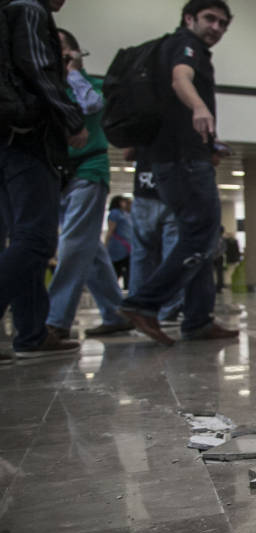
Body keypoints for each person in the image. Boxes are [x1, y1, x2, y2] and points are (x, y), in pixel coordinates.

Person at [119, 0, 238, 345]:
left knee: (197, 236)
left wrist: (209, 141)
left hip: (176, 157)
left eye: (223, 23)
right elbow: (180, 77)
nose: (216, 27)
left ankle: (198, 319)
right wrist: (200, 105)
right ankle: (144, 303)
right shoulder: (185, 46)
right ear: (189, 19)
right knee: (200, 235)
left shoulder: (170, 48)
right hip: (183, 161)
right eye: (209, 19)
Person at [0, 0, 86, 361]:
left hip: (6, 140)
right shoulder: (30, 9)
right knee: (36, 239)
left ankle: (32, 333)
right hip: (27, 138)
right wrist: (71, 119)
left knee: (22, 238)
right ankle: (32, 333)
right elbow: (37, 69)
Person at [44, 28, 133, 340]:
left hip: (89, 171)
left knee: (71, 244)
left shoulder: (90, 86)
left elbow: (92, 107)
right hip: (56, 174)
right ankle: (116, 312)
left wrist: (73, 71)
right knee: (87, 249)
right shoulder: (44, 87)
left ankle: (55, 321)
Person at [127, 146, 182, 323]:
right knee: (172, 256)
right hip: (173, 189)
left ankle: (138, 308)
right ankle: (168, 309)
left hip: (144, 188)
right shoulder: (182, 120)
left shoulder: (141, 120)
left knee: (141, 256)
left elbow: (128, 153)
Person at [106, 195, 133, 289]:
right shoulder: (115, 213)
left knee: (128, 269)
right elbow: (110, 230)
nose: (124, 203)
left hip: (128, 246)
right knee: (116, 269)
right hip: (117, 245)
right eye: (122, 201)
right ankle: (111, 287)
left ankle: (127, 287)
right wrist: (105, 244)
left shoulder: (126, 214)